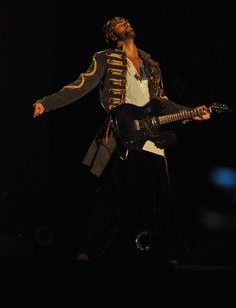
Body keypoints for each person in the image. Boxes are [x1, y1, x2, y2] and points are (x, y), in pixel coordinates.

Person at [33, 16, 211, 261]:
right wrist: (47, 103)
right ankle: (87, 251)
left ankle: (168, 255)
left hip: (150, 135)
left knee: (161, 198)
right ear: (112, 36)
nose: (125, 23)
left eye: (126, 21)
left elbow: (161, 102)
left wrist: (191, 113)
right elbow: (80, 86)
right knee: (111, 195)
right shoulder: (105, 58)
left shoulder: (152, 65)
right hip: (122, 135)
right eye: (118, 23)